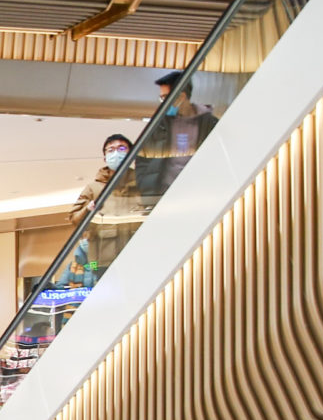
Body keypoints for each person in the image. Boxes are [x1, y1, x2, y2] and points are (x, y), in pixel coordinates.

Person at [70, 134, 147, 276]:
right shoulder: (93, 188)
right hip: (104, 259)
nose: (116, 153)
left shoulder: (143, 183)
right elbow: (74, 219)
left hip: (138, 253)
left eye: (121, 148)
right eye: (110, 150)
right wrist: (88, 210)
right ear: (104, 157)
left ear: (131, 153)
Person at [135, 71, 219, 198]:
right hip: (163, 195)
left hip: (200, 194)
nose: (162, 102)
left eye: (165, 97)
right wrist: (147, 190)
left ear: (181, 97)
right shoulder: (158, 125)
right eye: (161, 98)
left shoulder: (210, 124)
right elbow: (142, 158)